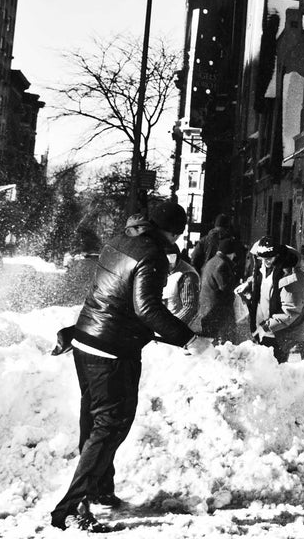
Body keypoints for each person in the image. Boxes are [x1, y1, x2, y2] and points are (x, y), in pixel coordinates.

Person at [48, 200, 202, 533]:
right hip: (112, 350)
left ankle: (100, 489)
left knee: (95, 421)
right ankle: (70, 509)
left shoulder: (120, 241)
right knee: (111, 424)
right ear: (175, 232)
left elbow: (108, 292)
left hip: (86, 339)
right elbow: (147, 308)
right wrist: (188, 338)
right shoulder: (152, 255)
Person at [251, 243, 304, 363]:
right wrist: (249, 286)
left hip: (283, 333)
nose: (264, 262)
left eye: (268, 258)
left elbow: (290, 311)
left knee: (274, 368)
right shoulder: (269, 268)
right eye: (261, 258)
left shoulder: (293, 278)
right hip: (269, 329)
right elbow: (266, 286)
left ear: (278, 256)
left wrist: (266, 327)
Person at [196, 236, 245, 342]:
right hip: (218, 309)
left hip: (207, 308)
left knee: (210, 339)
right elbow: (226, 288)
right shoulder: (222, 265)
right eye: (233, 253)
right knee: (224, 341)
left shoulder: (212, 261)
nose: (234, 256)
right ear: (229, 253)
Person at [163, 243, 201, 325]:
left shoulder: (187, 275)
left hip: (180, 327)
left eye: (170, 263)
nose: (168, 266)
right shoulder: (162, 271)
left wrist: (170, 325)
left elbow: (189, 307)